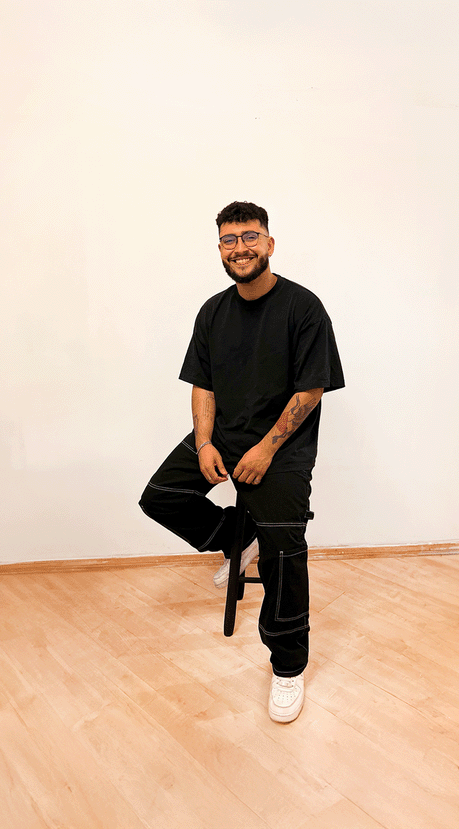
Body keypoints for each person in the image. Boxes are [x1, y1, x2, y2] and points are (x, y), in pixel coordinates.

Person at [140, 201, 344, 723]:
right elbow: (202, 384)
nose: (240, 248)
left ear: (269, 244)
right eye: (229, 240)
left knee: (284, 551)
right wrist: (205, 443)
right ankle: (239, 536)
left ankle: (288, 664)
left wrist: (266, 449)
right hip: (225, 436)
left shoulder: (303, 307)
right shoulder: (212, 311)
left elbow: (311, 389)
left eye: (250, 237)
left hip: (282, 448)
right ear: (220, 250)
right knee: (161, 497)